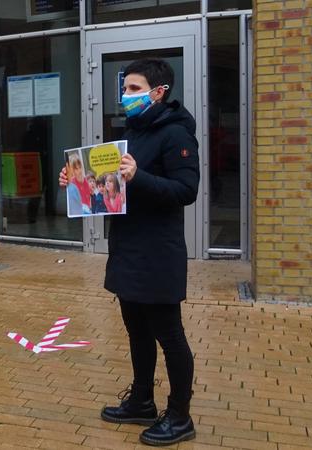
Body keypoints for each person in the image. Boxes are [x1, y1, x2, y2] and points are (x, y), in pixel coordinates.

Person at [59, 58, 199, 446]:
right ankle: (141, 400)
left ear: (159, 93)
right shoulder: (132, 132)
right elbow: (110, 192)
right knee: (136, 330)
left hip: (158, 252)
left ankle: (180, 414)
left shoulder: (176, 135)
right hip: (128, 247)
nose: (126, 96)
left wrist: (141, 177)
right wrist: (76, 183)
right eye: (126, 89)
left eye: (135, 89)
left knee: (169, 334)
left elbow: (186, 191)